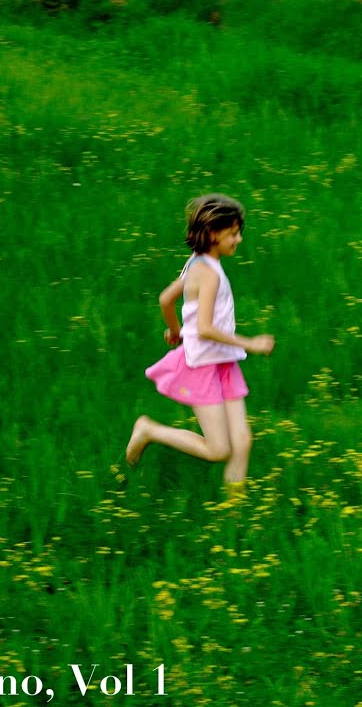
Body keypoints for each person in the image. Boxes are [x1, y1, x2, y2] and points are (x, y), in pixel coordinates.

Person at [125, 194, 275, 499]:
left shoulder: (199, 263)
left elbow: (166, 298)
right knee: (219, 449)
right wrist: (250, 343)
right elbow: (205, 328)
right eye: (233, 233)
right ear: (212, 234)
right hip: (203, 365)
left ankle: (234, 511)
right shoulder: (206, 274)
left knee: (242, 441)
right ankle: (149, 430)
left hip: (223, 360)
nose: (239, 239)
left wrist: (175, 330)